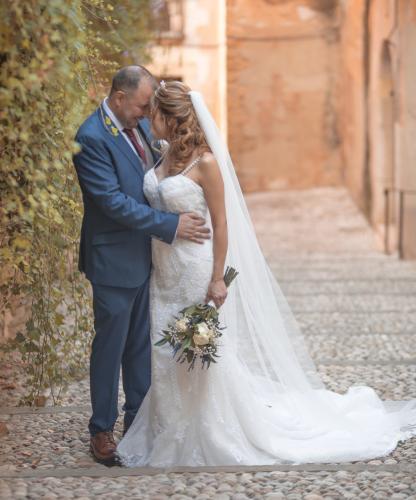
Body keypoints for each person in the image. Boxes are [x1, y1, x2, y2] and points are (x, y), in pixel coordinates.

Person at [117, 80, 416, 467]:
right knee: (165, 350)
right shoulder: (160, 155)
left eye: (154, 114)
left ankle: (207, 430)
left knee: (200, 352)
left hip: (193, 269)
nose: (147, 119)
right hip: (163, 272)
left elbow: (221, 223)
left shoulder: (206, 163)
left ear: (170, 119)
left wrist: (217, 278)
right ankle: (168, 427)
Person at [73, 67, 210, 464]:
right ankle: (101, 429)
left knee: (140, 348)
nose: (147, 113)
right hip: (113, 260)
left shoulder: (144, 128)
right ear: (119, 98)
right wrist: (171, 225)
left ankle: (138, 423)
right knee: (110, 347)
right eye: (141, 106)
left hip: (153, 258)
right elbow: (112, 202)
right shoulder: (91, 137)